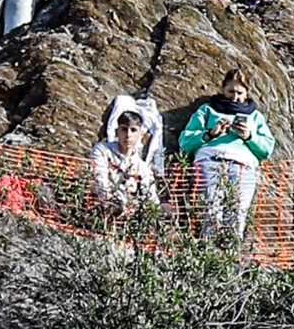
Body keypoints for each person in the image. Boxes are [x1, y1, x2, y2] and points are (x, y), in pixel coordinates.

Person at [178, 70, 279, 241]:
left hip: (243, 166)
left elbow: (267, 150)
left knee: (237, 216)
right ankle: (209, 251)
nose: (235, 97)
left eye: (240, 92)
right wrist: (210, 134)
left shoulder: (255, 116)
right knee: (210, 212)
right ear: (223, 89)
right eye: (231, 91)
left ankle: (231, 253)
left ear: (247, 93)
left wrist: (249, 136)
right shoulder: (207, 110)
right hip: (209, 160)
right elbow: (185, 142)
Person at [89, 97, 164, 214]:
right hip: (101, 208)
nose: (128, 135)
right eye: (124, 129)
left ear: (141, 134)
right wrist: (113, 203)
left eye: (133, 130)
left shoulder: (143, 167)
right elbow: (99, 179)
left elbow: (150, 196)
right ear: (117, 131)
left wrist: (156, 213)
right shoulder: (102, 150)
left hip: (131, 215)